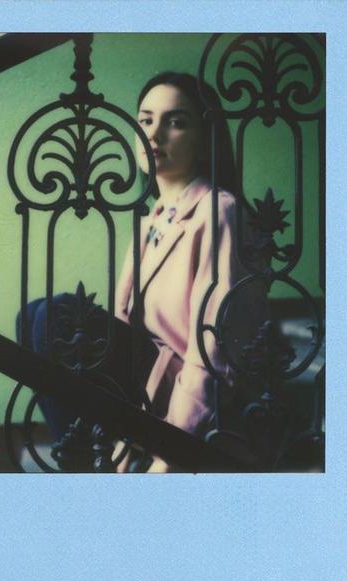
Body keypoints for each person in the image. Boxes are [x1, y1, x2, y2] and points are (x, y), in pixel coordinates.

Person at [114, 72, 253, 472]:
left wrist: (171, 450)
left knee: (51, 317)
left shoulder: (219, 211)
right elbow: (123, 325)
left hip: (181, 401)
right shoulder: (150, 221)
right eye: (145, 120)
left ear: (204, 140)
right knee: (36, 316)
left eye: (175, 122)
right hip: (141, 392)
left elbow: (214, 349)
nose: (153, 134)